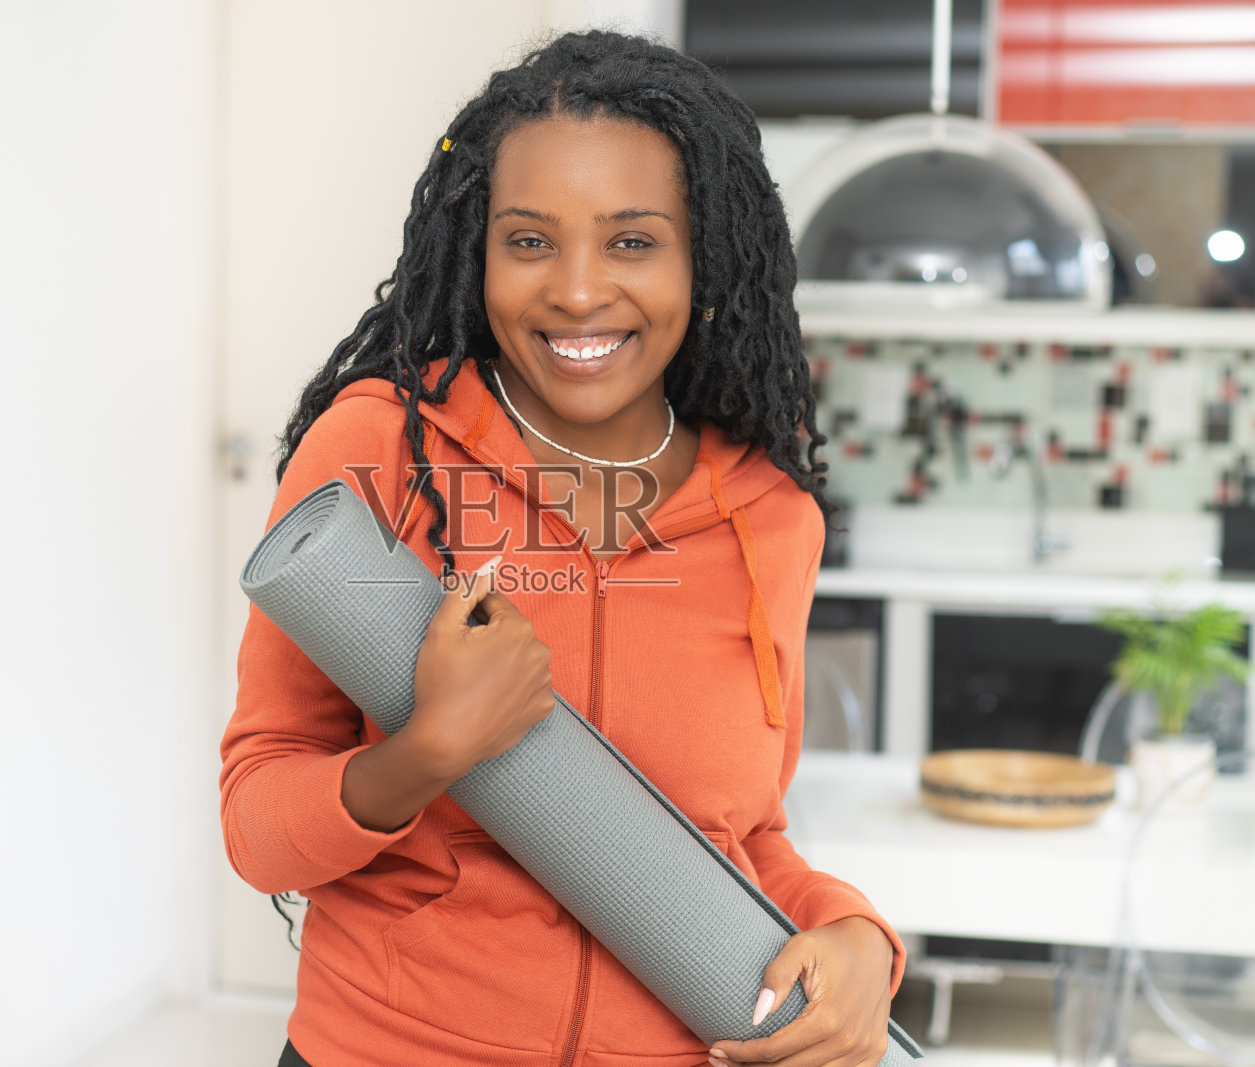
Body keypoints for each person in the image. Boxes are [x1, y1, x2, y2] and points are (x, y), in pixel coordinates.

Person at [220, 30, 905, 1067]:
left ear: (703, 257)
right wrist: (427, 752)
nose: (577, 292)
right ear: (477, 249)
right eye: (529, 240)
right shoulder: (377, 451)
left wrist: (855, 933)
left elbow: (738, 835)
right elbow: (257, 821)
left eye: (632, 241)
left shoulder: (769, 512)